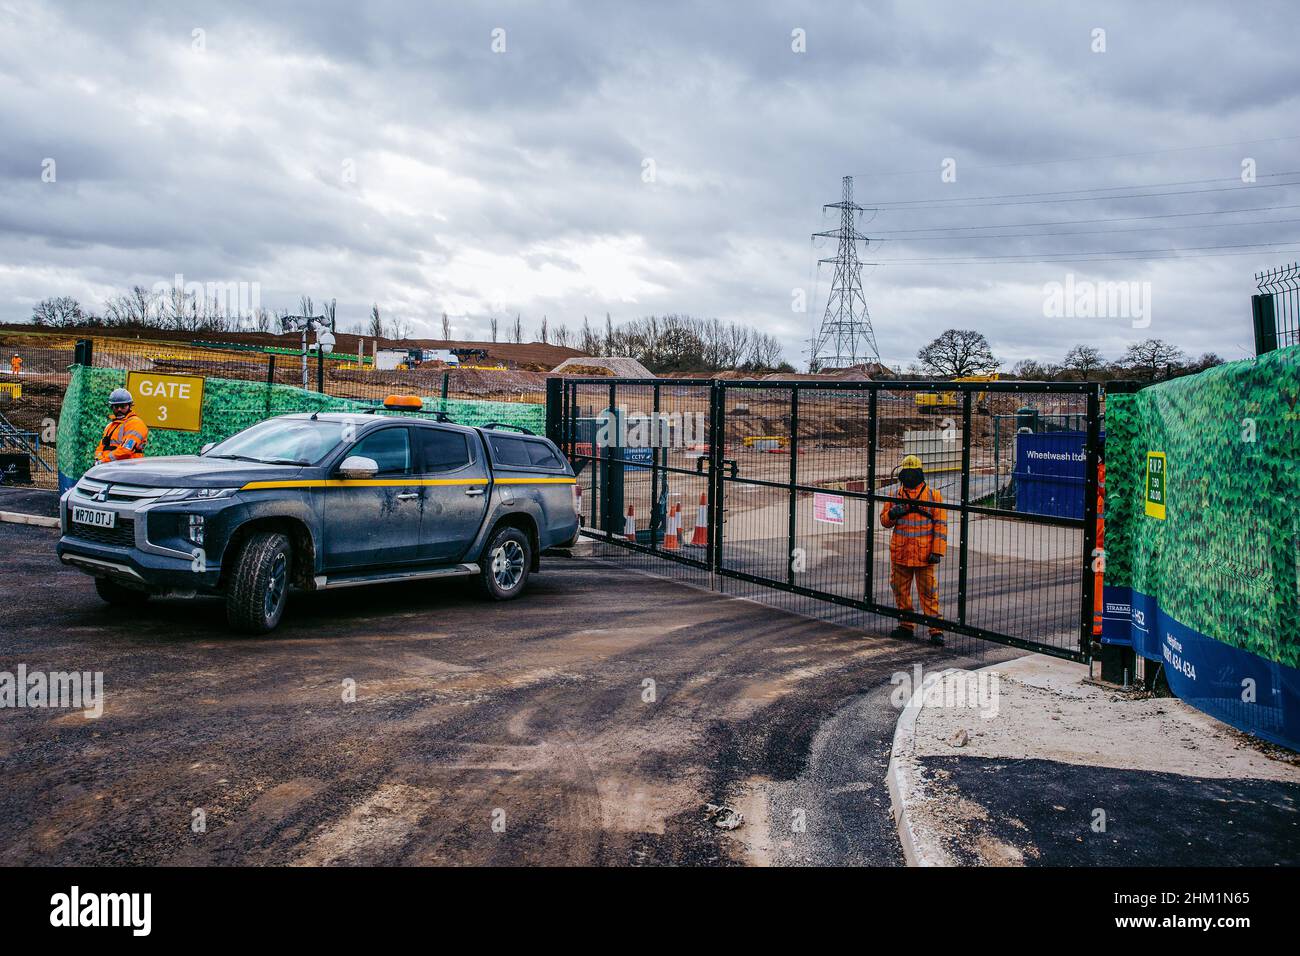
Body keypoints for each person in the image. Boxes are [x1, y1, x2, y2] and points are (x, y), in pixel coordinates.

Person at [880, 454, 947, 645]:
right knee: (900, 590)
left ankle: (936, 630)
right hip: (901, 553)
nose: (909, 477)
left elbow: (941, 525)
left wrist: (937, 551)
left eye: (912, 473)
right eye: (906, 472)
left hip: (925, 555)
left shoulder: (933, 496)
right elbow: (884, 521)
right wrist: (892, 514)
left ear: (919, 473)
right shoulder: (895, 495)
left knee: (928, 593)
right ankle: (906, 625)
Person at [95, 388, 149, 463]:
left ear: (130, 406)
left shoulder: (136, 423)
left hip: (129, 468)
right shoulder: (110, 426)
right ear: (112, 407)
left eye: (123, 406)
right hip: (109, 467)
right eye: (116, 407)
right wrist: (99, 459)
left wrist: (104, 461)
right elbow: (101, 448)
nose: (119, 409)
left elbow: (126, 450)